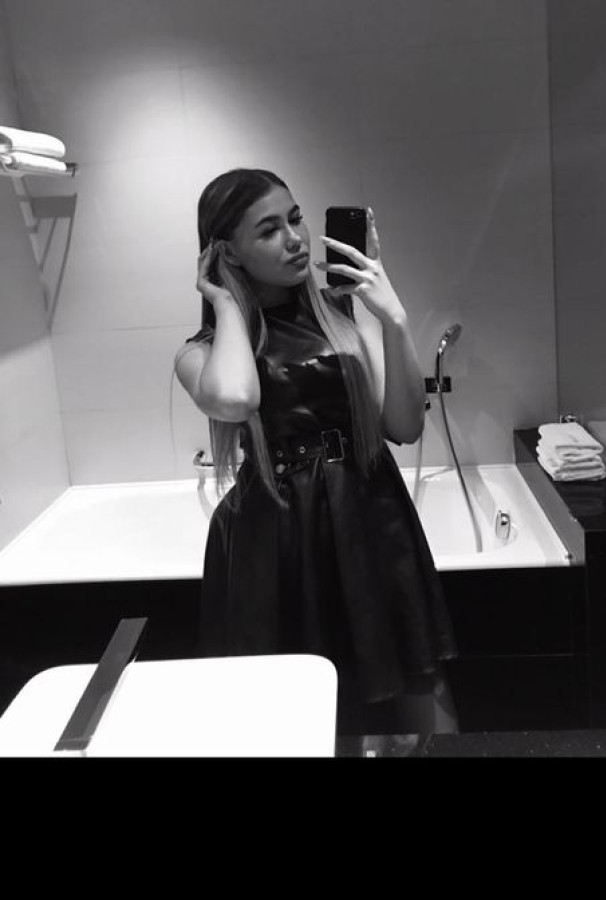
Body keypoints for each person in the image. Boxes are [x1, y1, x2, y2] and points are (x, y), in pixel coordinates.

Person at [174, 167, 459, 745]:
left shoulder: (341, 312)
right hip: (280, 537)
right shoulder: (202, 354)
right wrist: (225, 302)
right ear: (228, 252)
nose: (295, 239)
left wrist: (393, 317)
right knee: (304, 708)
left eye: (296, 218)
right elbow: (236, 398)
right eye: (269, 230)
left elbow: (404, 426)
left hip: (372, 516)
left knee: (418, 686)